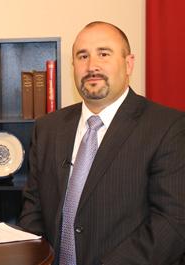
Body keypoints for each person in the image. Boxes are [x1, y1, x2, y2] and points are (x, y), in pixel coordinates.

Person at [19, 21, 185, 265]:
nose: (91, 66)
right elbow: (33, 208)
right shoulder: (47, 128)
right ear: (73, 65)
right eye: (82, 56)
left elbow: (172, 222)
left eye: (104, 54)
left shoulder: (167, 127)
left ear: (128, 63)